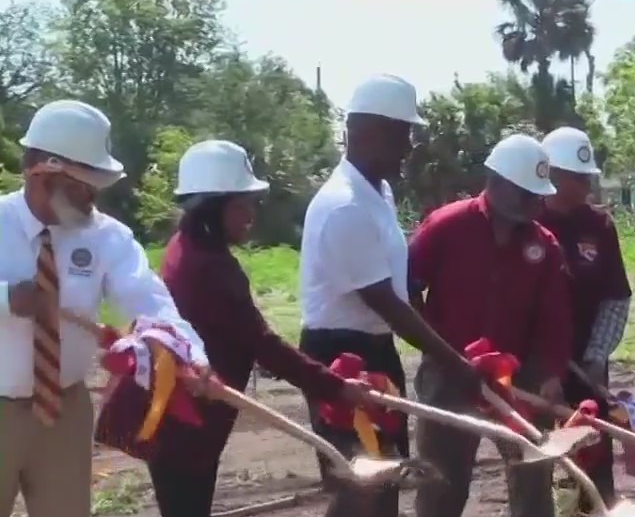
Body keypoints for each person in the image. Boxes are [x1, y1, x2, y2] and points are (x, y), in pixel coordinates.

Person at [0, 100, 209, 517]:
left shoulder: (106, 237)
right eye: (80, 184)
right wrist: (8, 299)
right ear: (41, 171)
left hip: (62, 410)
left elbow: (150, 301)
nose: (91, 196)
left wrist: (189, 352)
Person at [147, 140, 374, 517]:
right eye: (242, 204)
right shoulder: (210, 268)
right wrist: (337, 387)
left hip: (185, 415)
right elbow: (262, 343)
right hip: (189, 421)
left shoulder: (184, 247)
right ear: (212, 207)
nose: (250, 215)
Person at [298, 74, 479, 509]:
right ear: (367, 131)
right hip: (341, 355)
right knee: (362, 483)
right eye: (402, 134)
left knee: (384, 480)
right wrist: (454, 362)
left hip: (375, 350)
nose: (409, 146)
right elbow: (385, 302)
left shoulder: (378, 193)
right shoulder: (345, 205)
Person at [408, 133, 574, 517]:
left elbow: (556, 317)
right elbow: (406, 285)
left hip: (520, 376)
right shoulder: (446, 226)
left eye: (538, 197)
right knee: (441, 482)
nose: (535, 205)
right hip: (450, 370)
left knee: (533, 476)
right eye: (526, 195)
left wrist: (551, 372)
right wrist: (431, 341)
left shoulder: (544, 245)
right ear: (496, 183)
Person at [538, 126, 631, 508]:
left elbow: (616, 298)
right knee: (536, 452)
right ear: (550, 175)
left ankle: (598, 508)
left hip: (586, 360)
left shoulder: (599, 226)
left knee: (595, 447)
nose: (585, 185)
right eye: (577, 178)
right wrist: (543, 365)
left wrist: (596, 357)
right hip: (535, 361)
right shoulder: (526, 221)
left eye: (586, 176)